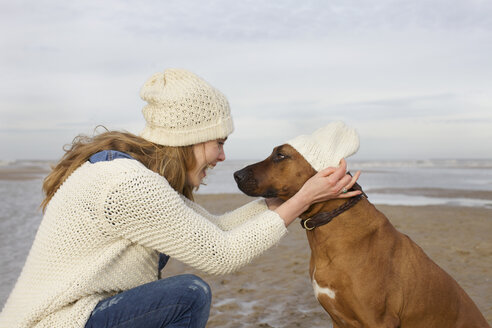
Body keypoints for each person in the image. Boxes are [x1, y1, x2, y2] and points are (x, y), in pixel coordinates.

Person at [0, 69, 361, 328]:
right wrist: (301, 202)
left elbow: (214, 228)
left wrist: (279, 201)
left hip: (79, 315)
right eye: (219, 142)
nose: (222, 157)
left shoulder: (134, 177)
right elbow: (222, 255)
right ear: (190, 138)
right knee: (187, 293)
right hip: (57, 322)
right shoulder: (128, 185)